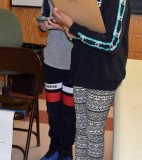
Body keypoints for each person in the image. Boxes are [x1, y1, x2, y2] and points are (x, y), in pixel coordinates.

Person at [52, 0, 130, 159]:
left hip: (103, 74)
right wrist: (65, 26)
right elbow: (82, 35)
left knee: (93, 135)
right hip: (81, 70)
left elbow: (111, 44)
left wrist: (71, 25)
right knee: (81, 132)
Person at [38, 0, 75, 159]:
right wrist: (44, 25)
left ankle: (66, 149)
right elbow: (42, 20)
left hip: (74, 64)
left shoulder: (84, 4)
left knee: (68, 112)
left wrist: (61, 26)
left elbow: (85, 31)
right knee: (53, 111)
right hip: (52, 61)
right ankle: (54, 146)